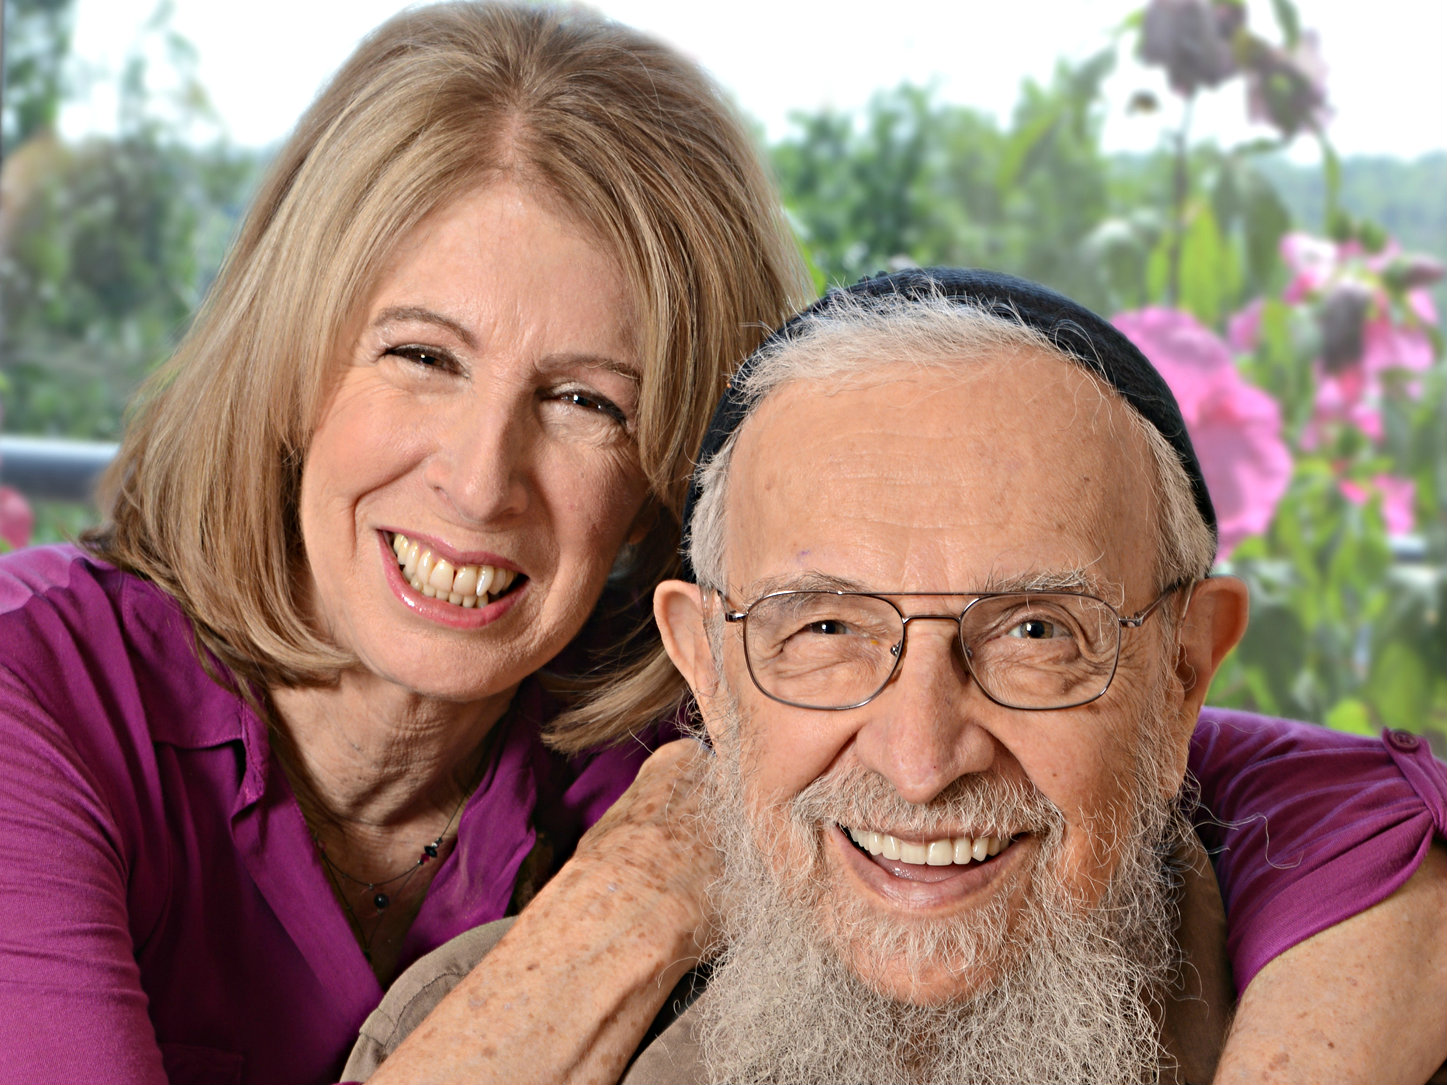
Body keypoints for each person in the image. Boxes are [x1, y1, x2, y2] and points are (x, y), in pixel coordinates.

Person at [0, 2, 1439, 1080]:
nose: (479, 479)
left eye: (582, 401)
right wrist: (621, 913)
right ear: (290, 366)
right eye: (421, 358)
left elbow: (1302, 786)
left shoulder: (688, 701)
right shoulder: (34, 701)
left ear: (663, 467)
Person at [347, 269, 1447, 1084]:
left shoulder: (1381, 1016)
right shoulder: (459, 1022)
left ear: (1182, 673)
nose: (921, 761)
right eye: (824, 625)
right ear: (709, 671)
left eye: (1032, 632)